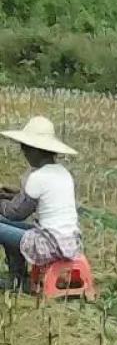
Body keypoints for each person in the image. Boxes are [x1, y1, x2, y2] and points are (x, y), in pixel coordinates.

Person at [0, 116, 82, 291]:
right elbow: (37, 199)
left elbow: (15, 213)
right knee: (8, 226)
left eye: (25, 148)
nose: (24, 153)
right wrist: (10, 195)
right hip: (69, 242)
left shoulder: (37, 177)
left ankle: (17, 278)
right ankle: (18, 277)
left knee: (5, 224)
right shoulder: (63, 173)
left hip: (48, 245)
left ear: (35, 150)